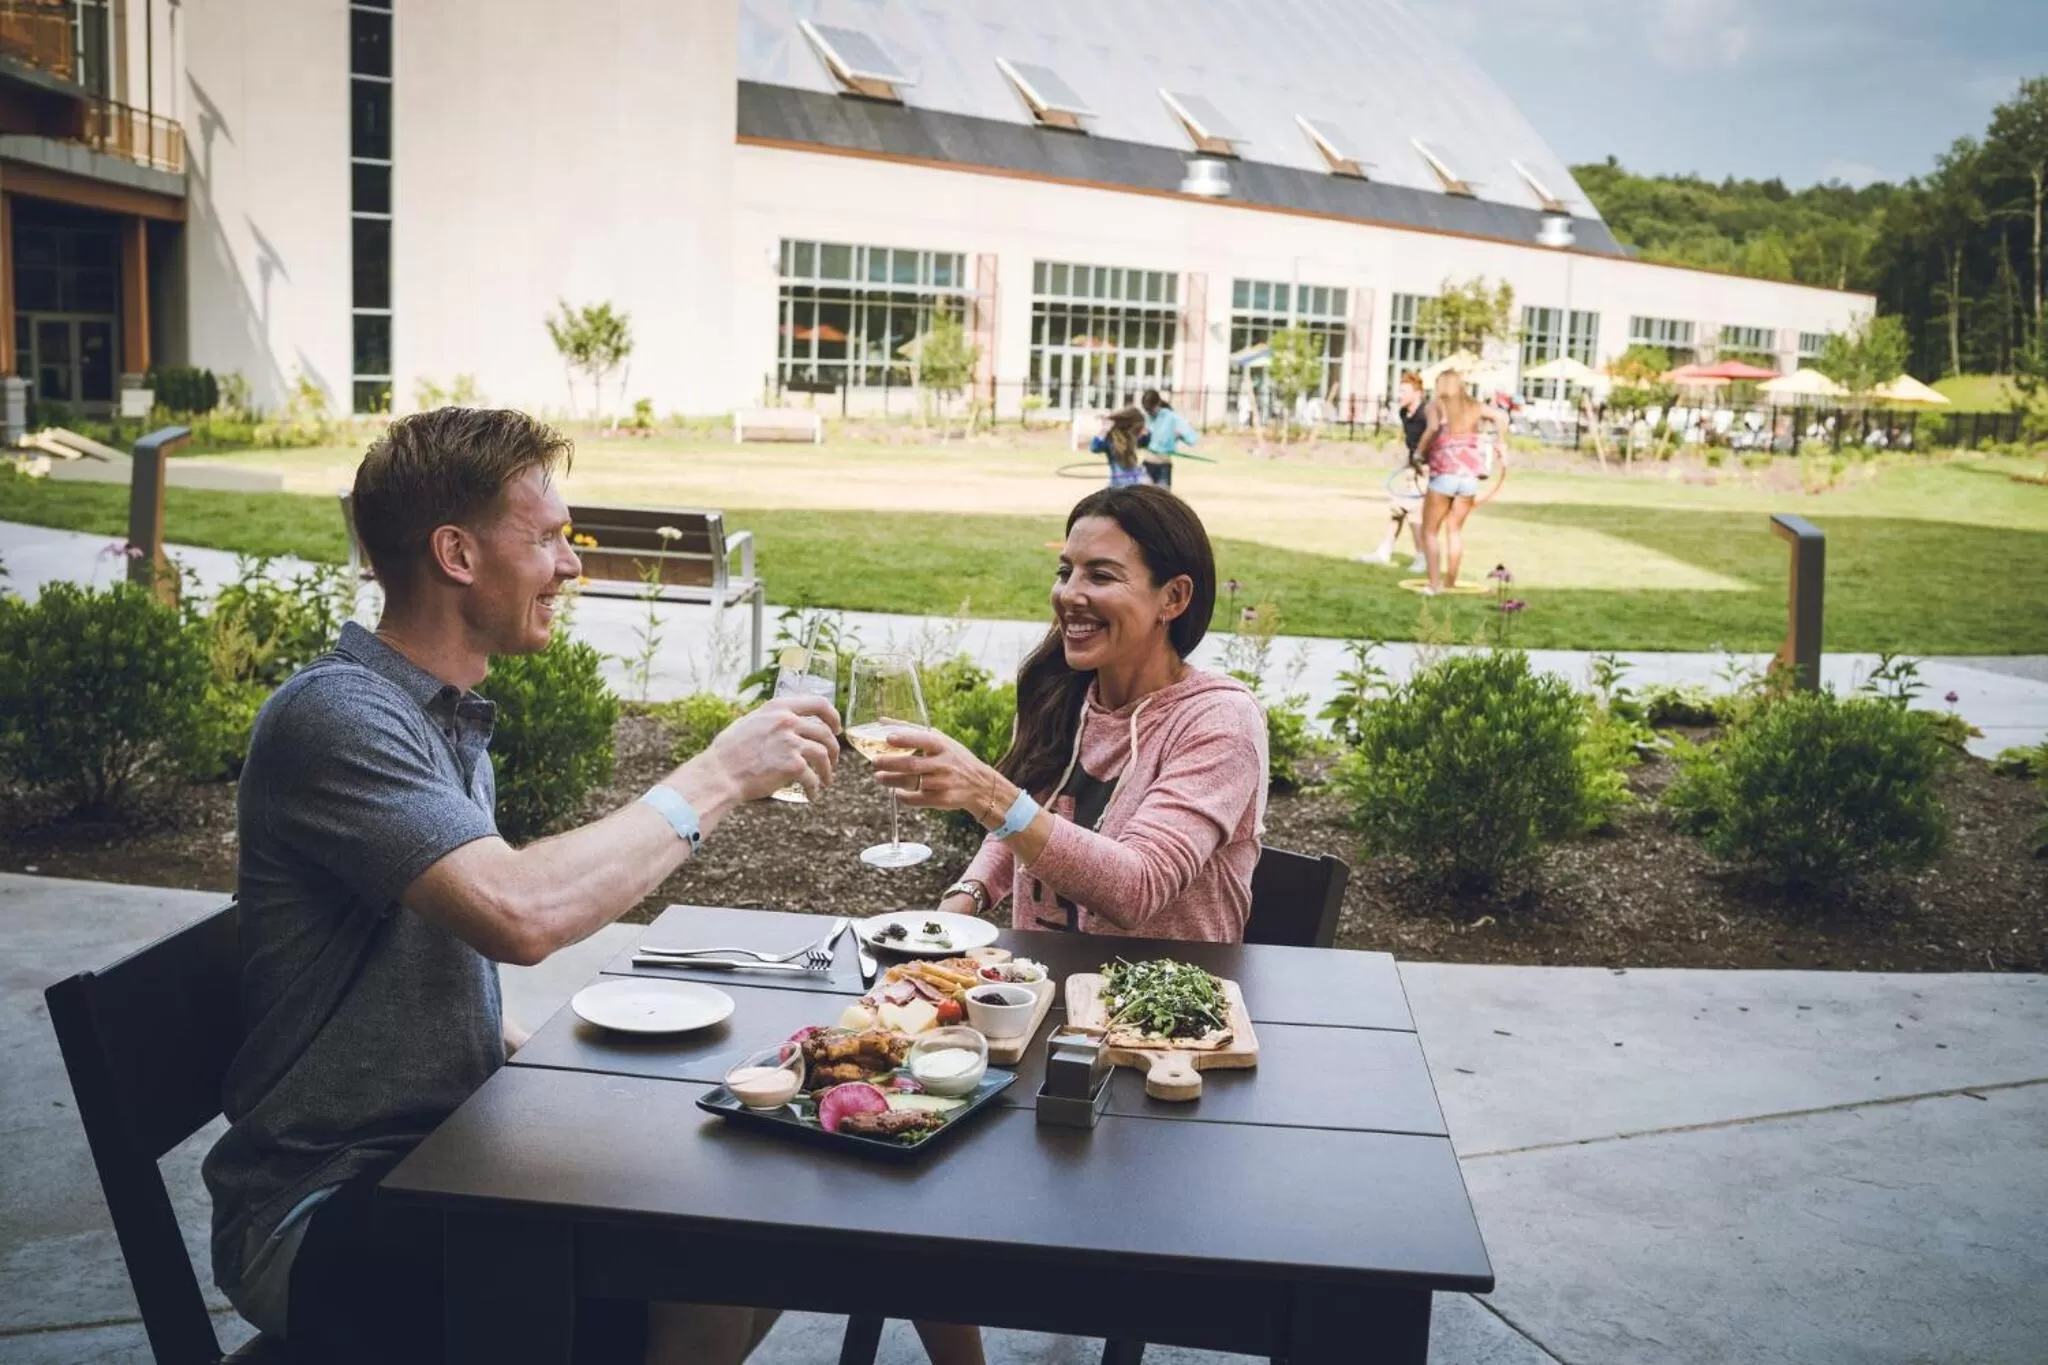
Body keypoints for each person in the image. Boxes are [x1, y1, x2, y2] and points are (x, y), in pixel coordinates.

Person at [201, 408, 842, 1365]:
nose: (571, 565)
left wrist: (559, 1058)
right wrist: (716, 775)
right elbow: (519, 911)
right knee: (710, 1239)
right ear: (456, 553)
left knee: (758, 1204)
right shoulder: (334, 715)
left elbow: (426, 968)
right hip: (323, 1205)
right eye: (546, 537)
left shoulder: (444, 723)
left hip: (452, 1152)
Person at [872, 484, 1268, 943]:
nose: (1069, 595)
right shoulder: (1062, 691)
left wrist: (986, 792)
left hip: (1159, 1003)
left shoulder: (1219, 722)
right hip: (1040, 990)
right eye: (1066, 572)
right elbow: (1027, 819)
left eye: (1100, 576)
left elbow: (1137, 889)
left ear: (1174, 597)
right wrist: (967, 897)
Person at [1417, 370, 1512, 593]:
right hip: (1468, 479)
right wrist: (1500, 443)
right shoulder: (1474, 406)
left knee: (1429, 531)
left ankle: (1434, 585)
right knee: (1454, 531)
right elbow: (1502, 416)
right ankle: (1450, 582)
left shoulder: (1436, 405)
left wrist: (1419, 453)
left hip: (1444, 475)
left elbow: (1431, 428)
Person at [1357, 369, 1429, 572]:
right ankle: (1384, 552)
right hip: (1413, 469)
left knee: (1415, 513)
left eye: (1404, 391)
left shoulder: (1426, 414)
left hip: (1427, 471)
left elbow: (1434, 439)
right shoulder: (1404, 414)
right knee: (1397, 511)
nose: (1399, 395)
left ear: (1417, 393)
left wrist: (1427, 466)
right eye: (1399, 391)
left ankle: (1422, 558)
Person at [1138, 387, 1199, 488]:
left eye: (1150, 410)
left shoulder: (1171, 417)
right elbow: (1137, 441)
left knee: (1161, 500)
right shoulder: (1145, 418)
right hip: (1147, 465)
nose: (1149, 413)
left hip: (1163, 466)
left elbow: (1192, 439)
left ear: (1157, 404)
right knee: (1145, 499)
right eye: (1146, 410)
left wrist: (1180, 435)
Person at [1090, 405, 1150, 487]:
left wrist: (1147, 433)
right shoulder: (1112, 438)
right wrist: (1104, 429)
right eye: (1138, 428)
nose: (1139, 432)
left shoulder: (1132, 438)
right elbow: (1094, 448)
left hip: (1134, 482)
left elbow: (1146, 442)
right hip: (1119, 486)